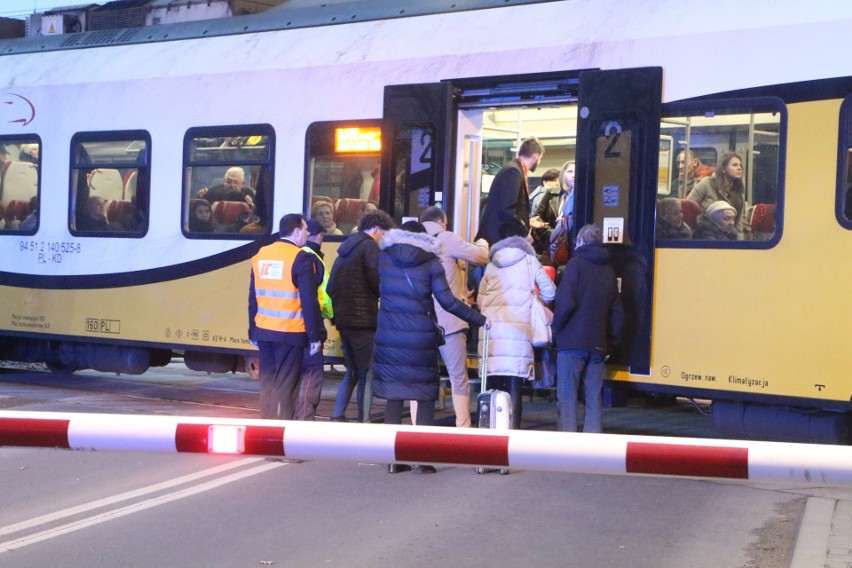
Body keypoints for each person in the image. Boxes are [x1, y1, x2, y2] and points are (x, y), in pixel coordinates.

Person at [372, 221, 486, 473]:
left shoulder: (384, 258)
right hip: (420, 337)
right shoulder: (431, 263)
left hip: (389, 335)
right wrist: (480, 319)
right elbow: (447, 301)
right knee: (423, 395)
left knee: (394, 395)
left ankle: (394, 459)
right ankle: (423, 458)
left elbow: (372, 288)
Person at [477, 217, 556, 430]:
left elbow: (480, 299)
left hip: (493, 331)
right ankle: (512, 436)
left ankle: (490, 432)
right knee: (514, 385)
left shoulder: (492, 263)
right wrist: (534, 299)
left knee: (493, 383)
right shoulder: (529, 261)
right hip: (518, 330)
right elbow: (550, 291)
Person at [416, 205, 489, 428]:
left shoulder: (413, 241)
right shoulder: (445, 237)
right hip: (449, 321)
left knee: (419, 381)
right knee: (458, 378)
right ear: (442, 222)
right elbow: (480, 257)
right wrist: (483, 242)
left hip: (421, 322)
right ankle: (463, 429)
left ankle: (415, 429)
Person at [248, 213, 323, 420]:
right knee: (287, 388)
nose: (308, 233)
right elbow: (309, 300)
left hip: (264, 331)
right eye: (306, 229)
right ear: (297, 231)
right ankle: (283, 437)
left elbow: (253, 297)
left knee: (268, 385)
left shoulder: (261, 255)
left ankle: (266, 431)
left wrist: (252, 330)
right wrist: (314, 335)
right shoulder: (300, 257)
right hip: (291, 333)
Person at [552, 224, 623, 433]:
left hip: (571, 342)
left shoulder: (575, 265)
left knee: (567, 396)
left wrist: (557, 329)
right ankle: (592, 447)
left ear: (580, 242)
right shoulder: (609, 271)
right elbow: (617, 311)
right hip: (598, 344)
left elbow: (565, 303)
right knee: (594, 397)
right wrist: (612, 342)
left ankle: (568, 446)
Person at [327, 210, 394, 422]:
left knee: (353, 371)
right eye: (383, 234)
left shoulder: (345, 250)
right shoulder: (369, 247)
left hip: (344, 321)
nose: (383, 239)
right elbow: (378, 281)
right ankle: (364, 420)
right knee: (367, 371)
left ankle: (337, 415)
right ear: (375, 229)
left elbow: (330, 287)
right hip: (363, 321)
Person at [294, 219, 332, 421]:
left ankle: (293, 419)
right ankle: (305, 420)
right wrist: (316, 333)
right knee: (311, 376)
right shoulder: (311, 259)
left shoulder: (301, 256)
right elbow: (315, 298)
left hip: (294, 326)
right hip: (310, 324)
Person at [476, 136, 546, 245]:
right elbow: (507, 209)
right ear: (535, 156)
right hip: (498, 239)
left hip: (499, 237)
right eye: (540, 158)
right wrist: (524, 232)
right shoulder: (513, 171)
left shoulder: (514, 169)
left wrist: (527, 222)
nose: (539, 162)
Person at [688, 152, 746, 238]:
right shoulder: (707, 183)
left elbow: (738, 226)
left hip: (727, 238)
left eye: (740, 165)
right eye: (734, 165)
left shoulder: (738, 193)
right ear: (723, 169)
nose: (739, 168)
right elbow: (688, 207)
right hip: (703, 235)